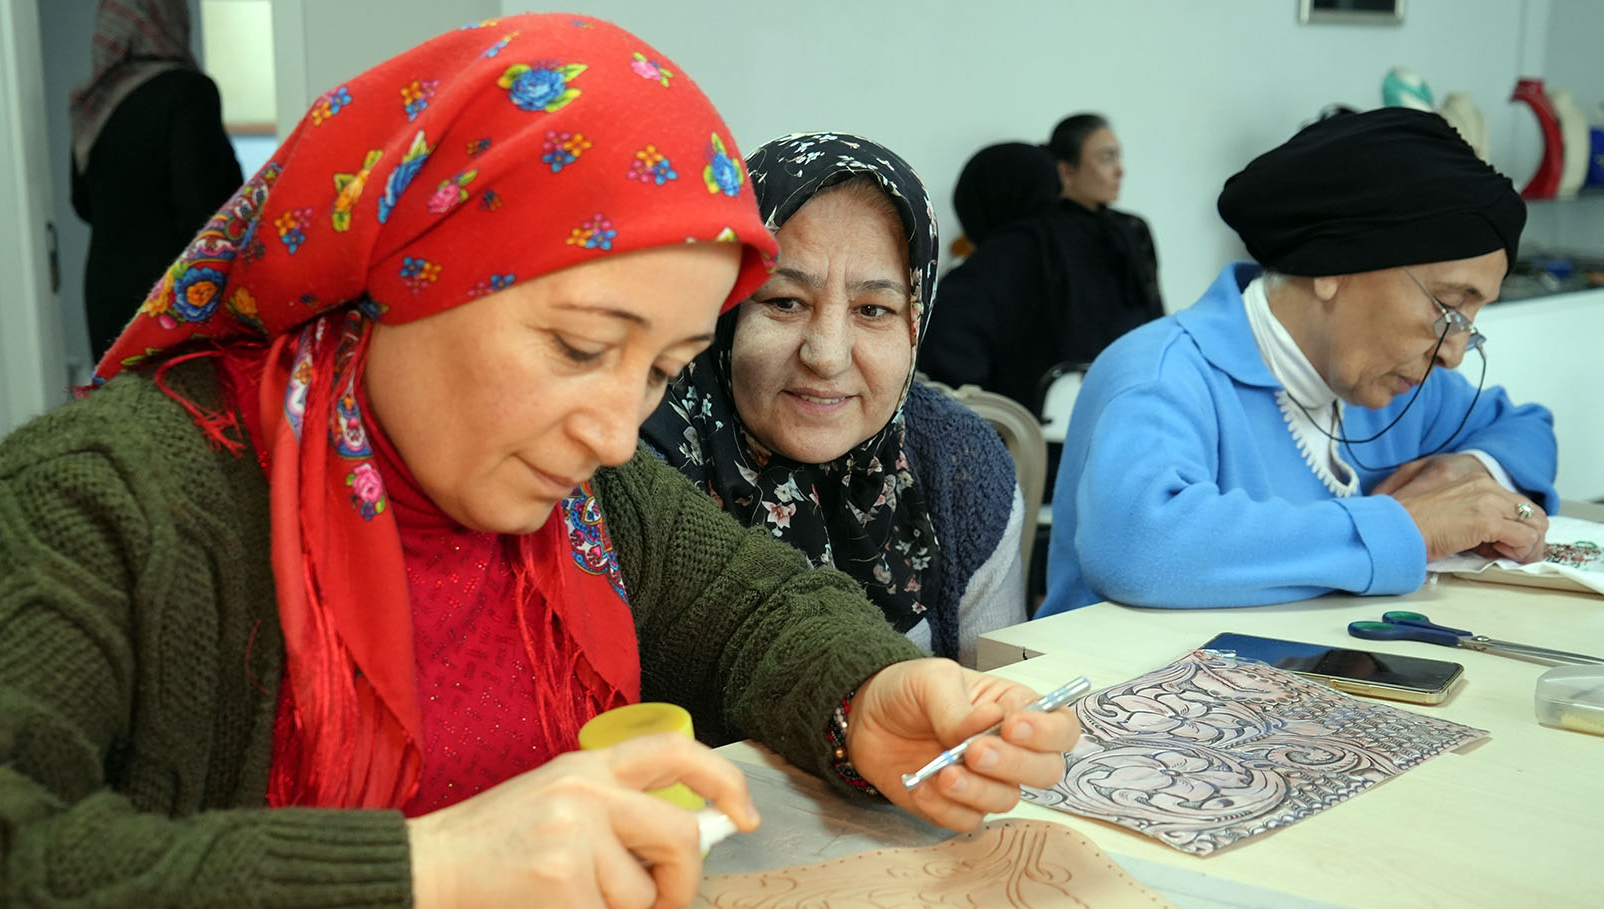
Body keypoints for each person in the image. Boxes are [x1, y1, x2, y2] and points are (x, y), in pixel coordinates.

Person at [0, 18, 1077, 909]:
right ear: (407, 261)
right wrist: (427, 876)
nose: (620, 429)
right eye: (581, 347)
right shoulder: (124, 490)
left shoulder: (581, 495)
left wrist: (866, 693)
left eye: (663, 365)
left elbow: (749, 604)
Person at [1041, 108, 1556, 616]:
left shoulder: (1396, 384)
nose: (1453, 352)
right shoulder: (1162, 373)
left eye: (1471, 319)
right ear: (1333, 267)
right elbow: (1140, 545)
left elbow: (1525, 428)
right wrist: (1407, 526)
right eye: (1447, 307)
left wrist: (1465, 472)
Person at [642, 133, 1027, 665]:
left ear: (916, 323)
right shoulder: (638, 462)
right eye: (785, 301)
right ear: (722, 309)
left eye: (873, 310)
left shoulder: (957, 463)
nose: (826, 356)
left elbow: (996, 699)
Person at [919, 117, 1162, 413]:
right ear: (1061, 173)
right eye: (1106, 157)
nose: (1120, 170)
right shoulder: (1123, 236)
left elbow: (947, 354)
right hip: (1129, 416)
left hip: (1028, 440)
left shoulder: (1002, 258)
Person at [70, 0, 244, 356]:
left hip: (104, 292)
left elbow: (82, 203)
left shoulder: (94, 102)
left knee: (117, 408)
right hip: (171, 297)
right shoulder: (188, 92)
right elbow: (202, 211)